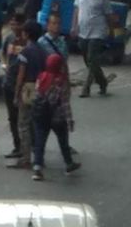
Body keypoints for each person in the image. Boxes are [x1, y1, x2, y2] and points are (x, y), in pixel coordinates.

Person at [30, 53, 80, 181]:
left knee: (40, 142)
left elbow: (37, 94)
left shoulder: (41, 77)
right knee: (63, 141)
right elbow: (64, 102)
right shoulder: (60, 80)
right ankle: (69, 164)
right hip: (57, 116)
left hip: (41, 115)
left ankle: (37, 168)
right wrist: (70, 120)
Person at [71, 0, 116, 98]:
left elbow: (108, 15)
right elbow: (77, 9)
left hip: (97, 33)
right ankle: (102, 81)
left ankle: (86, 88)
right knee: (89, 60)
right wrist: (74, 26)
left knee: (92, 58)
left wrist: (111, 31)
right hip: (83, 31)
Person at [7, 21, 46, 169]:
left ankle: (25, 158)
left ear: (27, 34)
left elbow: (21, 75)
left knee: (23, 124)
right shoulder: (43, 51)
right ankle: (38, 157)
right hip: (41, 88)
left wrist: (16, 93)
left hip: (28, 89)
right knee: (37, 124)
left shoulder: (25, 52)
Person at [0, 13, 26, 158]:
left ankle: (27, 144)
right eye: (12, 24)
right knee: (13, 117)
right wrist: (5, 64)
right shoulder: (9, 38)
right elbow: (3, 53)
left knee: (25, 116)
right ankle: (17, 146)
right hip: (9, 82)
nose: (13, 27)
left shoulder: (27, 39)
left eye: (16, 24)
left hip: (23, 84)